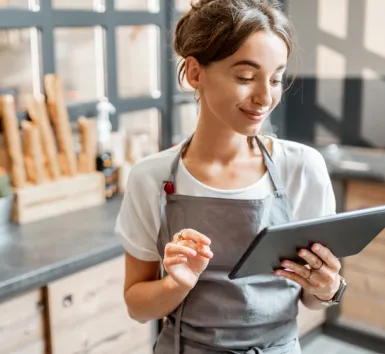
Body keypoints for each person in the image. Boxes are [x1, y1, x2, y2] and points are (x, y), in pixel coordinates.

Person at [115, 0, 346, 353]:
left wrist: (327, 288)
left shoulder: (302, 168)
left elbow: (311, 300)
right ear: (195, 73)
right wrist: (176, 285)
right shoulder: (152, 178)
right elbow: (136, 306)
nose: (264, 97)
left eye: (276, 79)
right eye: (245, 77)